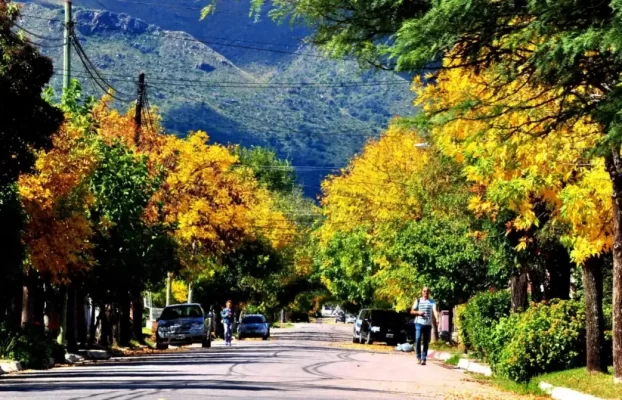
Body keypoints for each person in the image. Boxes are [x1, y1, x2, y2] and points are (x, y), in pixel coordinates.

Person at [410, 287, 438, 365]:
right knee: (418, 339)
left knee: (426, 342)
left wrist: (437, 319)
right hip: (418, 323)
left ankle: (423, 358)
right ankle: (418, 357)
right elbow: (411, 311)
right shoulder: (418, 300)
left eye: (427, 291)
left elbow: (435, 311)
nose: (426, 292)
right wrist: (418, 312)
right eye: (424, 291)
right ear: (422, 292)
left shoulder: (432, 302)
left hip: (427, 325)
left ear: (429, 292)